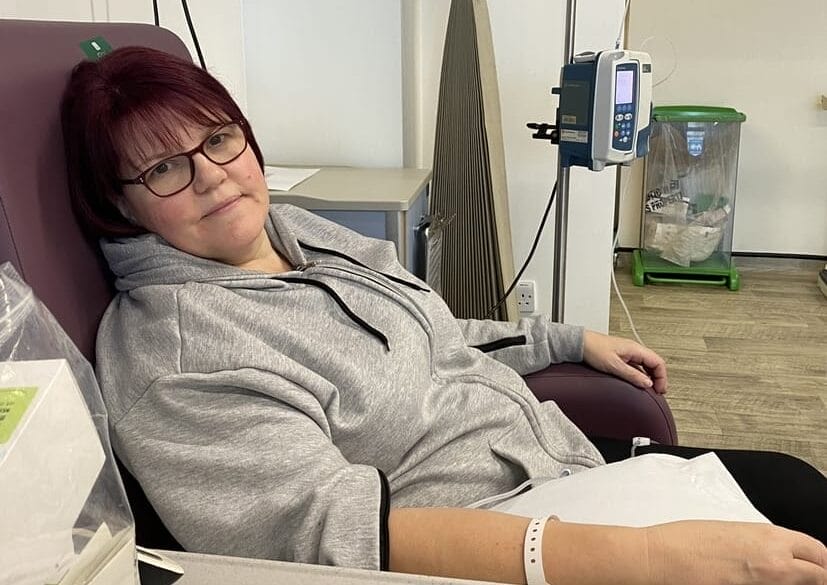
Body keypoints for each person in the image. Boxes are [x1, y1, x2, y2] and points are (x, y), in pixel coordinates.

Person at [61, 46, 826, 585]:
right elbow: (331, 535)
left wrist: (565, 340)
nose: (213, 177)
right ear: (118, 204)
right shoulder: (173, 357)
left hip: (548, 461)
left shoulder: (299, 234)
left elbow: (425, 331)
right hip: (479, 539)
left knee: (794, 486)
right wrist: (650, 558)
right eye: (164, 167)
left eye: (219, 138)